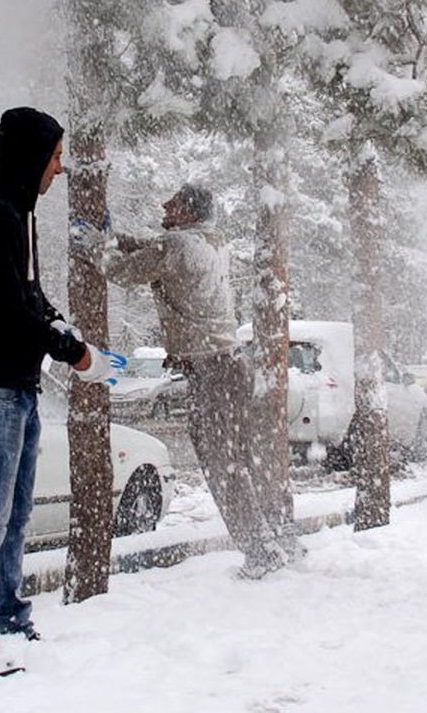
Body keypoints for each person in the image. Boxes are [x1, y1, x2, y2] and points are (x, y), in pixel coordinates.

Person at [0, 107, 121, 670]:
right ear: (30, 157)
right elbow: (5, 310)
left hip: (16, 387)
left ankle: (7, 615)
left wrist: (66, 328)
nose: (60, 169)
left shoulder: (18, 212)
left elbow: (30, 298)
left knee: (16, 511)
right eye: (55, 157)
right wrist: (72, 352)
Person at [77, 184, 298, 579]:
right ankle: (279, 539)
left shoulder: (178, 247)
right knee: (244, 460)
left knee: (222, 466)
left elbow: (121, 271)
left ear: (188, 213)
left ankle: (262, 554)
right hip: (230, 367)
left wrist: (94, 245)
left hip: (212, 371)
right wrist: (113, 237)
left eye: (173, 203)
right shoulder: (210, 241)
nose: (164, 205)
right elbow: (152, 245)